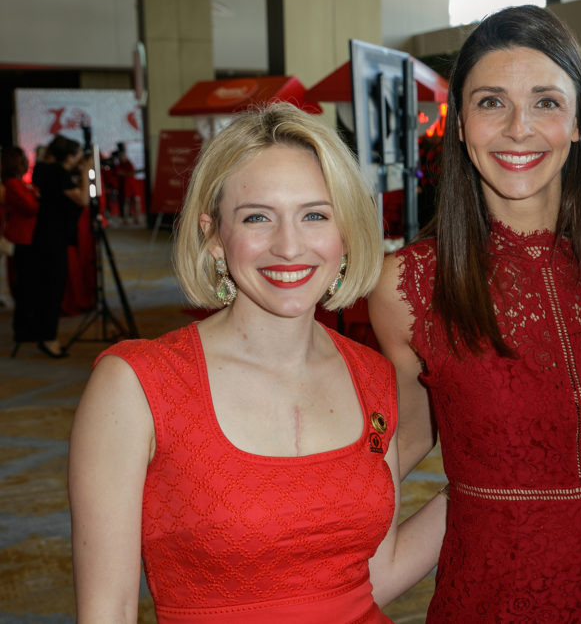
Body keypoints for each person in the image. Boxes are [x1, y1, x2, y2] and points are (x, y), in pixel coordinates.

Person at [68, 103, 447, 623]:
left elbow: (371, 578)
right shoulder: (135, 385)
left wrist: (483, 485)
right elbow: (106, 611)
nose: (289, 246)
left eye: (314, 215)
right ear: (214, 236)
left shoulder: (372, 377)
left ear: (345, 233)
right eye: (257, 218)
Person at [368, 5, 581, 620]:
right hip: (489, 599)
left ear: (578, 122)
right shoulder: (408, 285)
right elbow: (405, 439)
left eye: (546, 102)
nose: (518, 128)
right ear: (460, 124)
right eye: (491, 102)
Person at [12, 135, 89, 358]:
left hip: (39, 238)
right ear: (69, 157)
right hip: (53, 239)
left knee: (38, 286)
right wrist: (86, 173)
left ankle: (34, 332)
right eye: (77, 156)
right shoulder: (59, 173)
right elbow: (83, 200)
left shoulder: (42, 170)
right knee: (53, 288)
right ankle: (49, 338)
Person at [2, 146, 38, 311]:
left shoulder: (18, 183)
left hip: (24, 235)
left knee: (26, 278)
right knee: (23, 279)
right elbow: (30, 206)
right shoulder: (13, 184)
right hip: (21, 237)